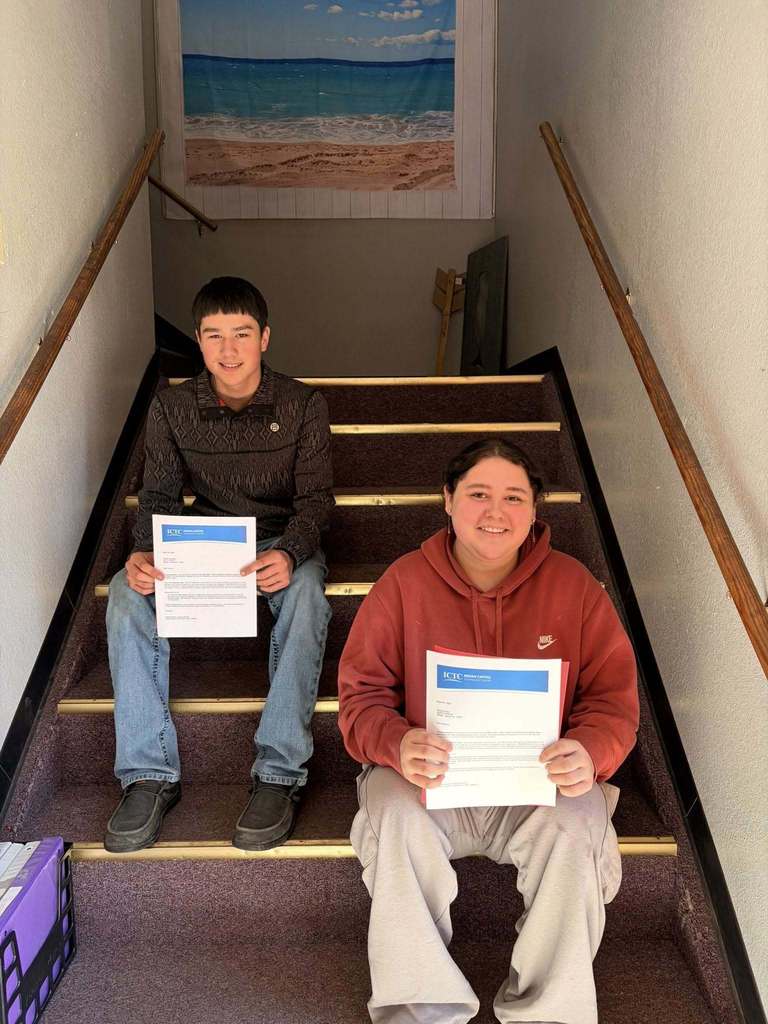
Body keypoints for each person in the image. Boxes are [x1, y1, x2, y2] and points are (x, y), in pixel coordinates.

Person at [338, 438, 639, 1024]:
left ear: (534, 510)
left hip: (533, 787)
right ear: (448, 500)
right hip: (428, 783)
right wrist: (397, 742)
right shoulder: (402, 583)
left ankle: (548, 1012)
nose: (495, 511)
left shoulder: (575, 586)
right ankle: (421, 1011)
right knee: (392, 810)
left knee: (578, 818)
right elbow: (360, 700)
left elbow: (612, 701)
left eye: (514, 497)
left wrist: (590, 751)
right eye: (478, 494)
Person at [105, 276, 333, 853]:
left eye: (241, 334)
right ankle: (148, 774)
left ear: (264, 338)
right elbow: (158, 494)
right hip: (204, 540)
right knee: (126, 593)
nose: (228, 350)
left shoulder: (303, 404)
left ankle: (279, 773)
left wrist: (290, 551)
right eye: (213, 336)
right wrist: (144, 551)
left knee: (308, 593)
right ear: (199, 341)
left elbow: (315, 501)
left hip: (280, 541)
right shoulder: (172, 406)